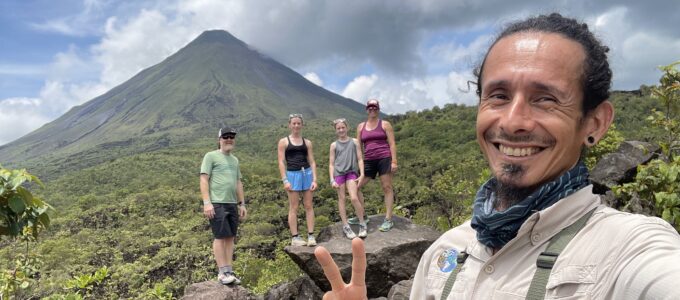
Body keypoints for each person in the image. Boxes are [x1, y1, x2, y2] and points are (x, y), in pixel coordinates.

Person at [314, 13, 680, 299]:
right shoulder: (445, 254)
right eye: (499, 96)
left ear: (595, 122)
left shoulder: (629, 250)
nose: (513, 121)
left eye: (546, 98)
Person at [200, 127, 247, 285]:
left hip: (232, 203)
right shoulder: (211, 156)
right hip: (217, 202)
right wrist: (207, 203)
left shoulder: (234, 160)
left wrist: (242, 204)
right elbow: (204, 179)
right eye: (225, 136)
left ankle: (229, 270)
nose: (229, 139)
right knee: (220, 236)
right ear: (219, 139)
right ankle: (222, 272)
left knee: (230, 237)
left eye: (231, 137)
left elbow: (238, 182)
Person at [350, 99, 398, 232]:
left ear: (378, 109)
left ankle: (388, 219)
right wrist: (357, 163)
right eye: (370, 108)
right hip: (369, 160)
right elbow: (359, 146)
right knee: (356, 186)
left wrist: (394, 161)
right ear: (367, 110)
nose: (372, 110)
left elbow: (392, 143)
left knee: (386, 187)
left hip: (384, 158)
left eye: (375, 107)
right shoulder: (361, 127)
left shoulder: (385, 124)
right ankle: (362, 215)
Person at [278, 114, 318, 247]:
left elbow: (312, 161)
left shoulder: (307, 142)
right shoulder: (284, 142)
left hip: (306, 173)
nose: (296, 125)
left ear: (302, 125)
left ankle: (311, 235)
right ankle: (295, 237)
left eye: (298, 123)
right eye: (293, 123)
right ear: (289, 125)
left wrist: (314, 179)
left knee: (308, 206)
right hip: (292, 175)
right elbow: (281, 162)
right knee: (294, 207)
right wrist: (285, 180)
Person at [329, 118, 367, 239]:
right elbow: (331, 163)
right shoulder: (334, 145)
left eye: (343, 127)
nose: (341, 130)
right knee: (342, 199)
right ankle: (346, 226)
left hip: (351, 172)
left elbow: (360, 158)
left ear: (347, 128)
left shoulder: (355, 142)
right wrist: (332, 179)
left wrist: (362, 174)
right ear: (335, 130)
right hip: (339, 174)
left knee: (354, 198)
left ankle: (362, 223)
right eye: (338, 128)